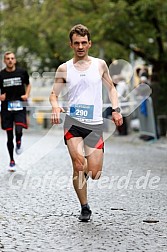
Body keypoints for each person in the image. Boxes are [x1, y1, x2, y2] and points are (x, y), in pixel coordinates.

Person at [49, 24, 123, 222]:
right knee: (78, 164)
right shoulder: (64, 68)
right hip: (73, 122)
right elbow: (53, 94)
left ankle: (82, 179)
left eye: (84, 42)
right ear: (71, 45)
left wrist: (116, 110)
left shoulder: (100, 65)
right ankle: (84, 207)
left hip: (95, 124)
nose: (80, 46)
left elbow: (112, 90)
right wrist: (55, 107)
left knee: (94, 172)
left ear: (89, 43)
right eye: (76, 43)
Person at [0, 51, 31, 172]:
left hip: (19, 105)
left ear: (15, 60)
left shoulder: (22, 72)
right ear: (4, 61)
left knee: (19, 129)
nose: (10, 60)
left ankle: (19, 141)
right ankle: (11, 160)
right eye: (7, 58)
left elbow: (28, 84)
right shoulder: (1, 75)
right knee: (9, 136)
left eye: (12, 58)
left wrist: (26, 95)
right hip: (6, 107)